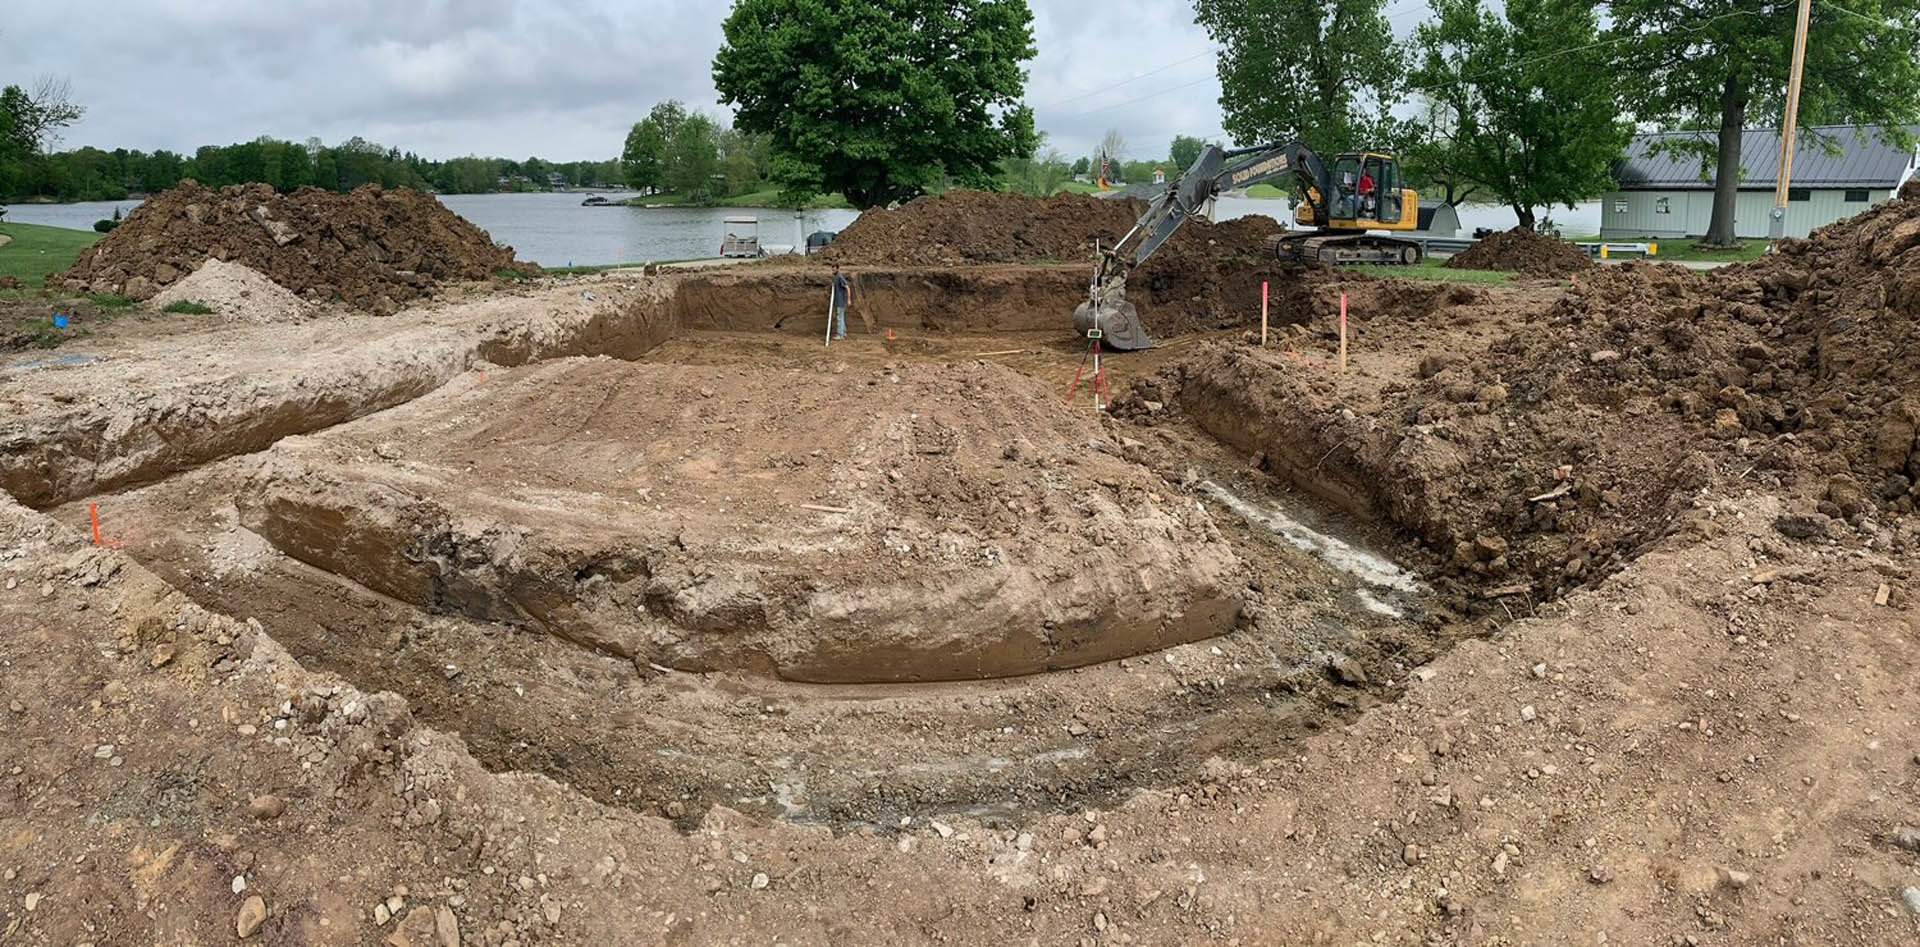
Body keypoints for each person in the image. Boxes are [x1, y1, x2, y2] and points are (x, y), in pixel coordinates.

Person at [830, 265, 851, 340]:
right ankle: (843, 332)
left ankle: (840, 335)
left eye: (834, 270)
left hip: (841, 301)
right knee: (841, 317)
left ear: (838, 269)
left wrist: (848, 299)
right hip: (839, 301)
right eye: (832, 270)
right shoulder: (836, 277)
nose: (833, 271)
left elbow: (848, 288)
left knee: (839, 318)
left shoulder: (840, 277)